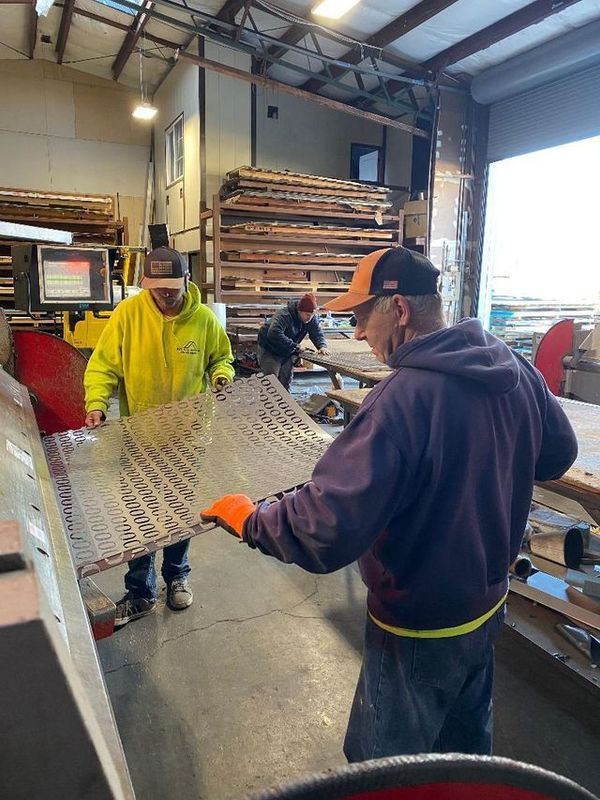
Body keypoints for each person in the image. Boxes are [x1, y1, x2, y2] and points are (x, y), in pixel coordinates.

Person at [201, 246, 578, 760]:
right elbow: (558, 454)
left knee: (385, 772)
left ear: (398, 310)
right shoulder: (510, 365)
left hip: (416, 625)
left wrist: (252, 520)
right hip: (487, 607)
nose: (356, 334)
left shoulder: (401, 402)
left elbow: (325, 528)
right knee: (462, 761)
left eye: (360, 317)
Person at [84, 246, 235, 627]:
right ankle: (139, 591)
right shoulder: (128, 316)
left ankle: (176, 575)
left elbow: (222, 357)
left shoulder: (203, 320)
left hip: (187, 439)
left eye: (172, 287)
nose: (165, 294)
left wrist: (221, 376)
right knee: (139, 518)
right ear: (147, 284)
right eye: (157, 288)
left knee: (179, 515)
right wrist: (97, 403)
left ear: (187, 279)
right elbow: (102, 365)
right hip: (141, 437)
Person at [257, 293, 329, 391]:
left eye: (312, 315)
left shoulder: (311, 318)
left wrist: (322, 346)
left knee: (285, 380)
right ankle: (268, 404)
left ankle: (285, 405)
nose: (310, 318)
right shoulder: (284, 316)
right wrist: (295, 346)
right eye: (307, 315)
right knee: (271, 381)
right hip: (270, 348)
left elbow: (316, 332)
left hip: (287, 350)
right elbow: (274, 333)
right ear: (299, 311)